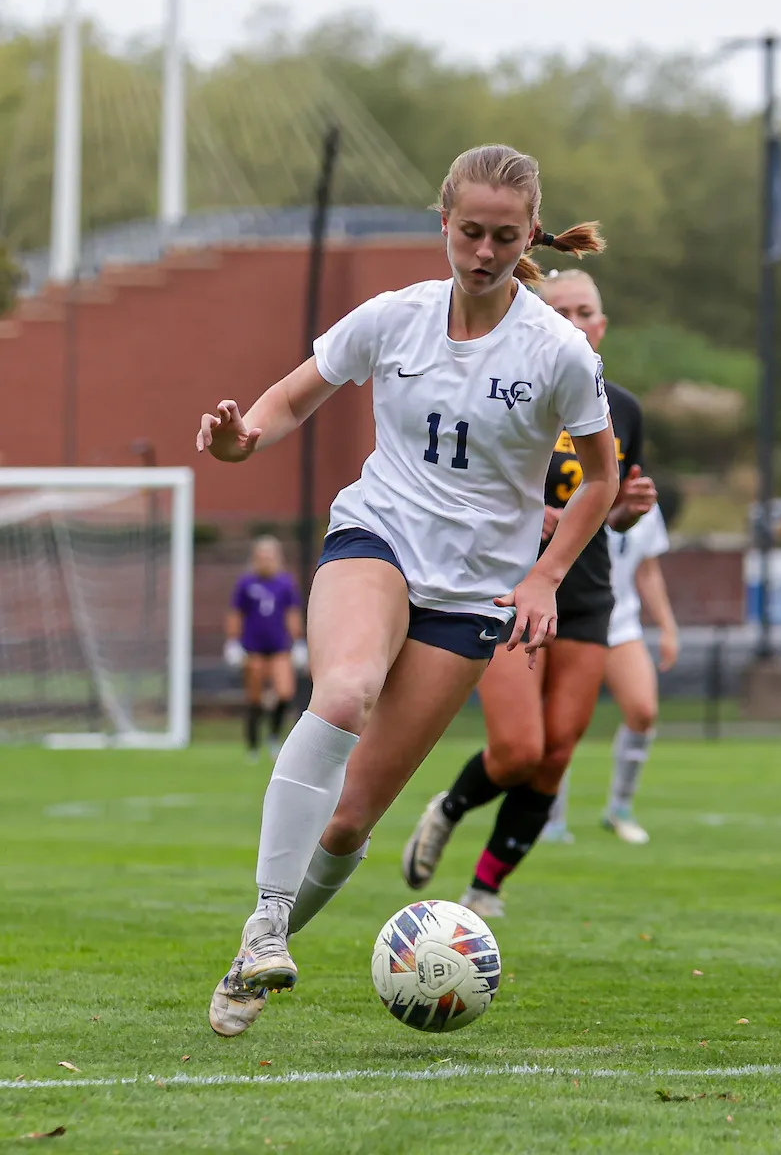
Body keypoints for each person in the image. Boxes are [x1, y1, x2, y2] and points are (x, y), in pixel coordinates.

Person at [197, 144, 622, 1037]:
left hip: (471, 597)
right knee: (344, 689)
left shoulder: (556, 352)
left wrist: (544, 576)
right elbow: (291, 397)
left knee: (351, 822)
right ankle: (270, 923)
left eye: (504, 237)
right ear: (444, 226)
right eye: (469, 232)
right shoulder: (394, 318)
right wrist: (243, 440)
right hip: (377, 537)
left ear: (528, 236)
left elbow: (599, 481)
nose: (483, 252)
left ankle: (246, 962)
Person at [402, 269, 656, 918]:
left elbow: (607, 503)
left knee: (557, 754)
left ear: (601, 327)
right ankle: (449, 809)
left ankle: (486, 887)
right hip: (505, 583)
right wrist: (520, 511)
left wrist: (623, 510)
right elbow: (461, 475)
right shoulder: (506, 390)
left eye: (585, 310)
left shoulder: (621, 408)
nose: (573, 320)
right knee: (519, 748)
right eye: (560, 309)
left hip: (586, 591)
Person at [543, 502, 678, 845]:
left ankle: (619, 809)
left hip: (620, 624)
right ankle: (550, 817)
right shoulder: (570, 486)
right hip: (570, 619)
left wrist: (666, 625)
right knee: (561, 723)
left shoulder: (642, 500)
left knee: (643, 711)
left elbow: (647, 570)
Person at [224, 535, 307, 761]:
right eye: (261, 557)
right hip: (253, 648)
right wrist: (232, 641)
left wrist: (298, 642)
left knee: (284, 692)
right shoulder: (246, 584)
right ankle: (252, 746)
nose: (266, 561)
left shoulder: (286, 584)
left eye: (270, 557)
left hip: (279, 647)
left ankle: (273, 738)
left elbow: (292, 614)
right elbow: (236, 614)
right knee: (255, 697)